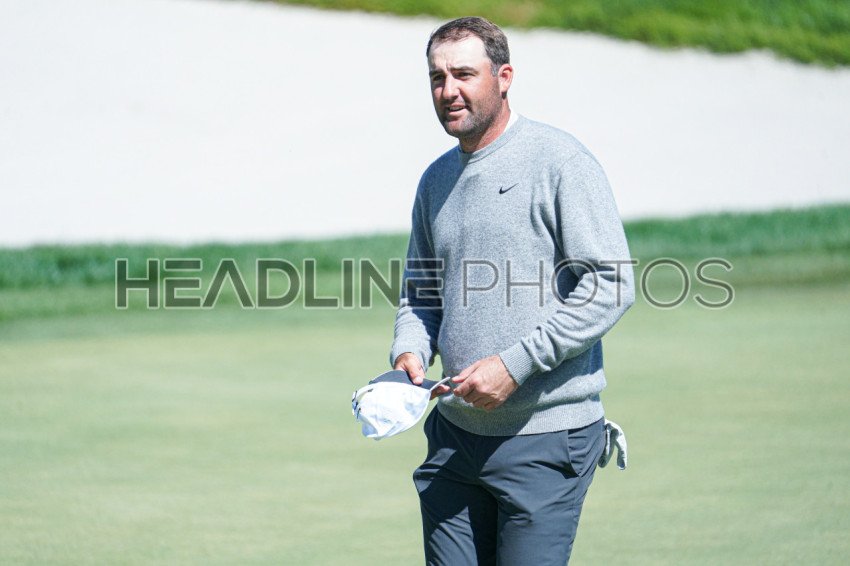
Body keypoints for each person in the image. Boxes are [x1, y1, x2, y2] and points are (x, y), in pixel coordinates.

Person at [389, 16, 635, 565]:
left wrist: (514, 365)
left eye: (463, 74)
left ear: (504, 78)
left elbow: (611, 283)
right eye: (436, 78)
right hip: (454, 437)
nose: (448, 91)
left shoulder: (560, 162)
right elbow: (421, 291)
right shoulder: (435, 180)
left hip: (546, 440)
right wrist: (409, 350)